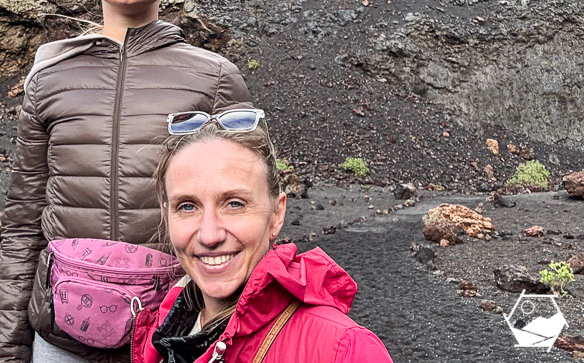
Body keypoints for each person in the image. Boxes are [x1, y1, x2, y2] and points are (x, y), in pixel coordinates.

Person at [0, 0, 252, 363]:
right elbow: (25, 221)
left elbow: (246, 213)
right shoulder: (50, 79)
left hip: (175, 331)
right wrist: (8, 346)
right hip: (62, 333)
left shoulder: (214, 78)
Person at [132, 110, 394, 363]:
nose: (209, 235)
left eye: (234, 204)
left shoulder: (342, 350)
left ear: (276, 214)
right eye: (187, 206)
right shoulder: (161, 333)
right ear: (167, 215)